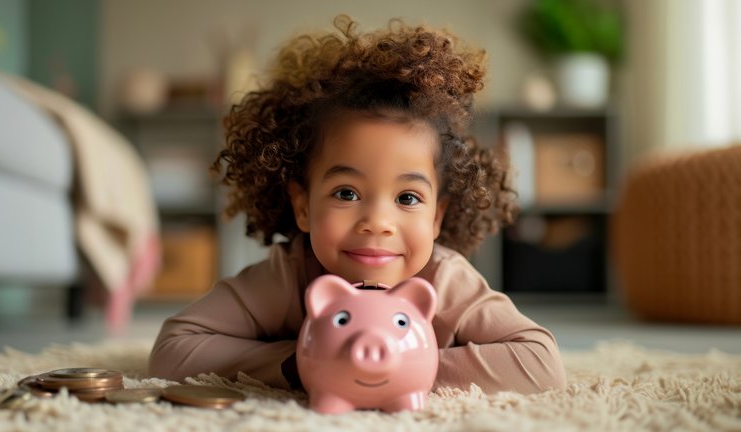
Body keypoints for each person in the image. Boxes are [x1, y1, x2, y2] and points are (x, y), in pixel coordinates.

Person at [149, 15, 566, 394]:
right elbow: (173, 349)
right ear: (303, 206)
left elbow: (541, 362)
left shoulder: (445, 281)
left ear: (437, 216)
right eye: (346, 193)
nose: (377, 222)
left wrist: (408, 363)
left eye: (407, 198)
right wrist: (299, 364)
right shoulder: (289, 275)